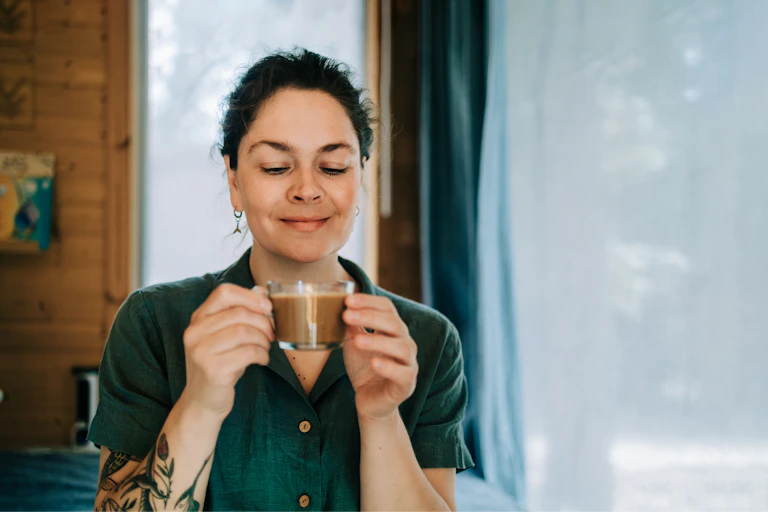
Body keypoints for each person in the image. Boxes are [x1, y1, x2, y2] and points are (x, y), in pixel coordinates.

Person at [89, 48, 473, 512]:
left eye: (333, 167)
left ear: (360, 178)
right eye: (275, 167)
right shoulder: (153, 322)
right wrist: (202, 402)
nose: (307, 189)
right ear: (234, 180)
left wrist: (382, 417)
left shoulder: (428, 341)